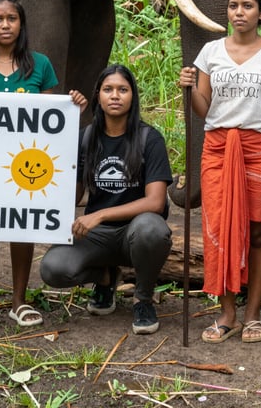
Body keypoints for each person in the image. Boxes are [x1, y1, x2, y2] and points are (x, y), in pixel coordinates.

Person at [0, 0, 87, 331]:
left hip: (25, 164)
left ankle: (18, 300)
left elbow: (50, 118)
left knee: (20, 225)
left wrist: (72, 105)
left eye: (11, 19)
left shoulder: (39, 65)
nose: (5, 25)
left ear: (21, 24)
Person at [179, 0, 261, 344]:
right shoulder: (210, 52)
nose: (238, 13)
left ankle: (253, 313)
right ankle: (227, 314)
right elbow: (203, 109)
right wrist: (190, 88)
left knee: (259, 231)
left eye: (246, 6)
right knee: (219, 230)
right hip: (217, 148)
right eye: (233, 6)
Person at [40, 64, 173, 335]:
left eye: (123, 90)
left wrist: (99, 215)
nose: (115, 96)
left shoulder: (150, 139)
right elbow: (73, 195)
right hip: (96, 237)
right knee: (52, 268)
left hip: (132, 233)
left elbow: (156, 202)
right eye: (108, 89)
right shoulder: (86, 138)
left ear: (132, 96)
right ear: (98, 95)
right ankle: (105, 277)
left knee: (152, 228)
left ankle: (143, 299)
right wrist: (65, 130)